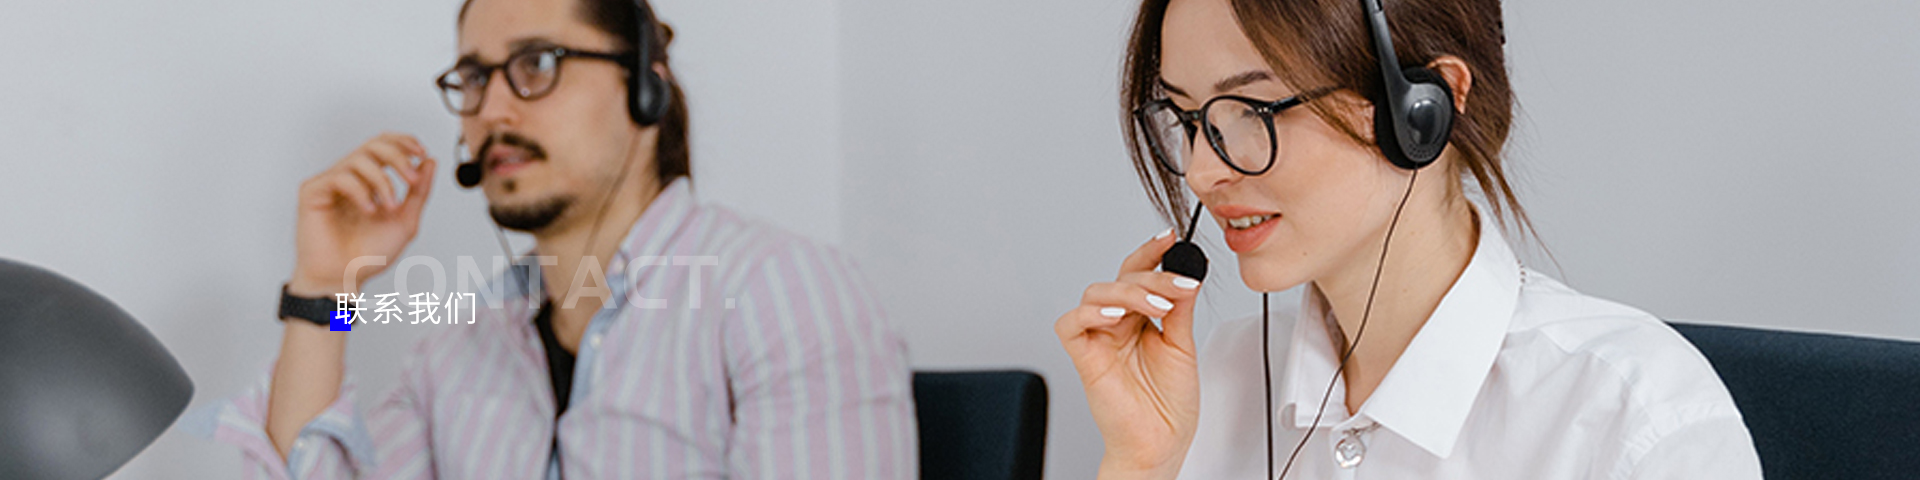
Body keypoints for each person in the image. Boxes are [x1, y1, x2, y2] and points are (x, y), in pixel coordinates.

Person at [188, 0, 916, 478]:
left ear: (645, 88)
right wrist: (328, 293)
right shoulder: (456, 352)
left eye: (537, 64)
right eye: (474, 77)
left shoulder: (780, 293)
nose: (493, 110)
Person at [1053, 0, 1763, 478]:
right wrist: (1140, 465)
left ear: (1423, 108)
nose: (1203, 172)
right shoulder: (1219, 379)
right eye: (1188, 117)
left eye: (1253, 109)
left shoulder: (1636, 419)